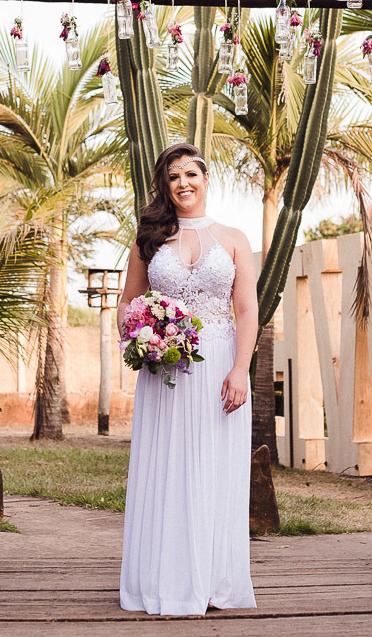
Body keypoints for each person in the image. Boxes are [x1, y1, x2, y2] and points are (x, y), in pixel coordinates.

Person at [118, 143, 259, 617]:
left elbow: (246, 310)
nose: (183, 183)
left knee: (216, 469)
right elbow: (127, 304)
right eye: (173, 176)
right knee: (169, 468)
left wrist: (239, 369)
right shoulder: (150, 240)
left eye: (190, 174)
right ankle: (167, 581)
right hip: (167, 372)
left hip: (220, 365)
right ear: (165, 185)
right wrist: (146, 337)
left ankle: (214, 581)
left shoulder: (235, 238)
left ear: (205, 177)